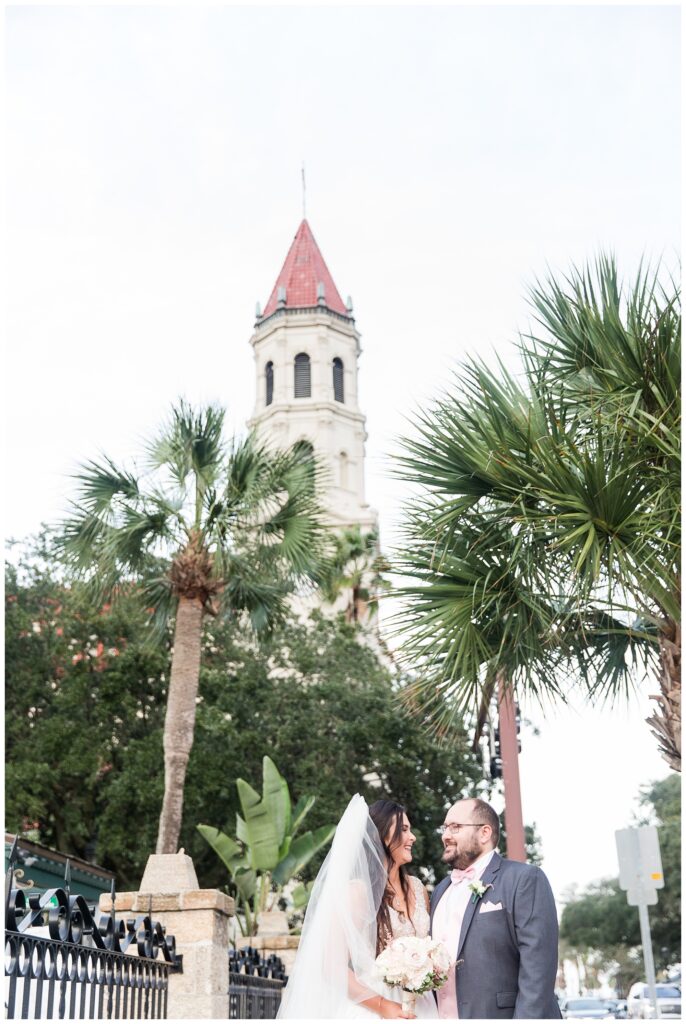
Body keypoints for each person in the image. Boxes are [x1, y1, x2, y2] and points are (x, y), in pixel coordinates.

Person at [278, 794, 438, 1019]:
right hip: (377, 1004)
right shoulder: (357, 892)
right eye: (403, 829)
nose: (412, 837)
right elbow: (332, 968)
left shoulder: (418, 888)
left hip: (422, 1004)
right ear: (381, 835)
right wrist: (384, 1006)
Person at [430, 797, 561, 1020]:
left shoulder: (524, 879)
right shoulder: (440, 890)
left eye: (455, 827)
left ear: (484, 833)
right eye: (445, 828)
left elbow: (538, 970)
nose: (446, 835)